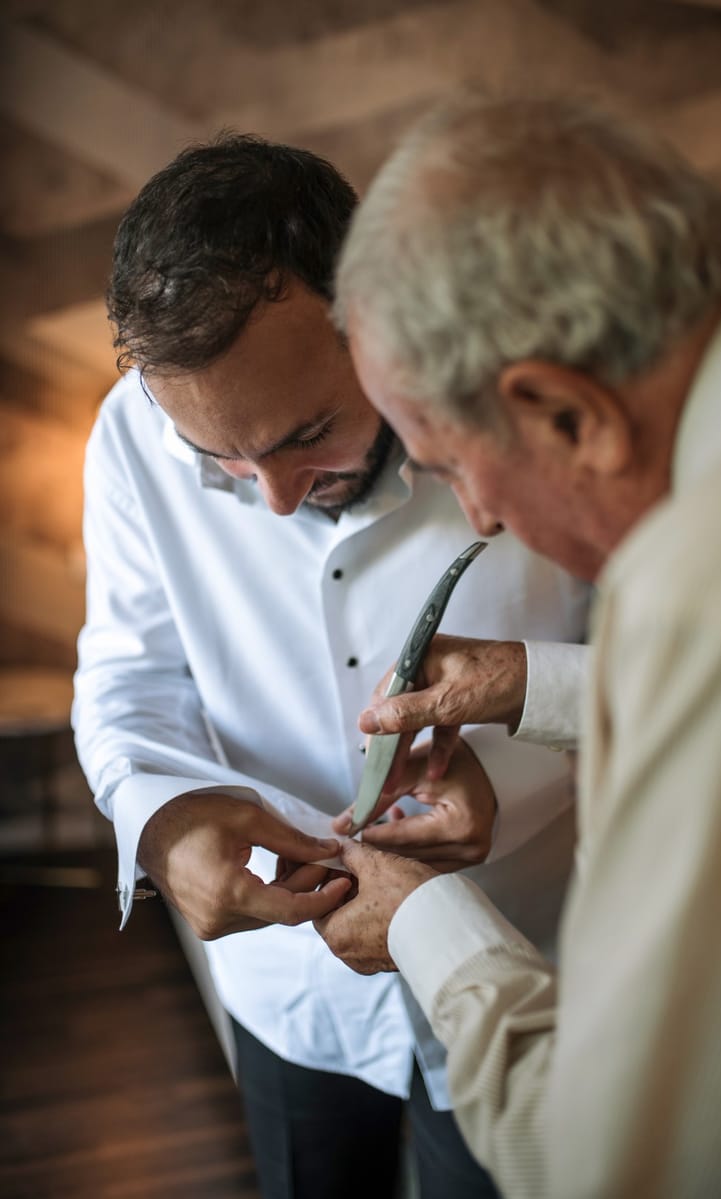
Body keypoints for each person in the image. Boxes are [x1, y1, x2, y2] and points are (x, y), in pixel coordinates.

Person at [71, 133, 592, 1199]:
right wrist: (163, 821)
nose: (269, 494)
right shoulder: (126, 441)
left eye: (308, 430)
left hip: (525, 949)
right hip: (287, 985)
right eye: (217, 460)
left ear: (377, 316)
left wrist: (521, 757)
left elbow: (657, 654)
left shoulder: (532, 401)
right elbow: (126, 679)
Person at [316, 93, 721, 1197]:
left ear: (564, 413)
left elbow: (611, 1164)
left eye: (444, 465)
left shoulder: (703, 584)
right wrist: (529, 681)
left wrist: (423, 921)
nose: (476, 518)